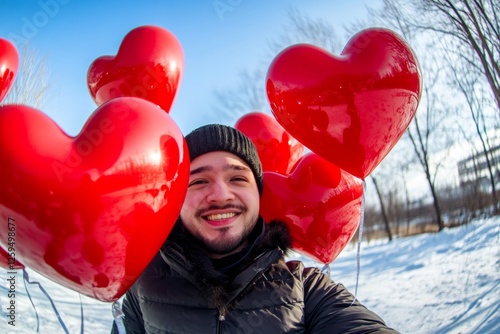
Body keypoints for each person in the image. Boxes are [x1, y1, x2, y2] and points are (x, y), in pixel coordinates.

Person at [112, 124, 398, 333]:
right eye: (198, 181)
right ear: (178, 198)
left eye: (237, 178)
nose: (221, 195)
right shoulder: (142, 290)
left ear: (258, 196)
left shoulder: (307, 288)